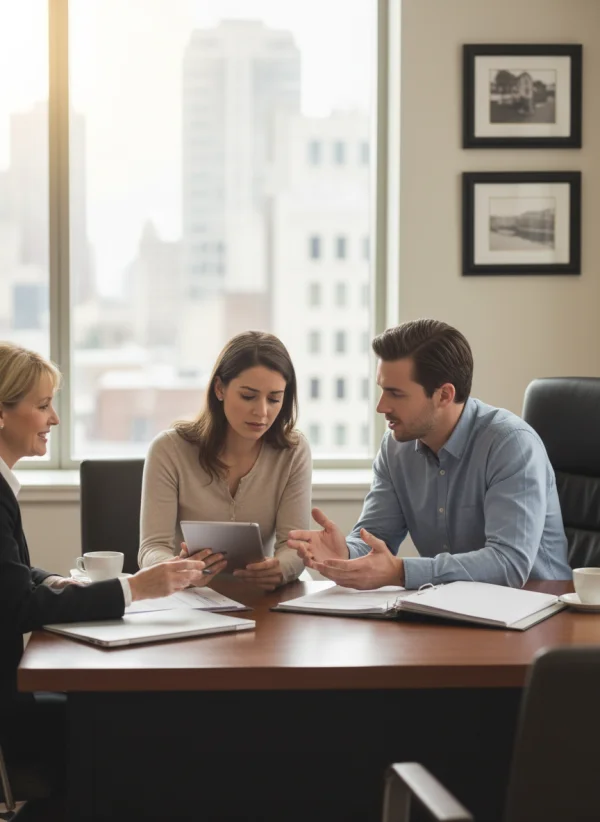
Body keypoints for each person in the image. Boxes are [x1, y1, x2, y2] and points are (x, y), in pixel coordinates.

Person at [0, 342, 209, 772]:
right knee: (144, 727)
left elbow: (11, 578)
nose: (54, 418)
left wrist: (54, 580)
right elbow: (18, 607)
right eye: (42, 406)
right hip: (11, 711)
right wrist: (136, 587)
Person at [288, 319, 571, 590]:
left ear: (444, 395)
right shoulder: (395, 447)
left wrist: (401, 572)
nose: (381, 406)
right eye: (381, 390)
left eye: (395, 394)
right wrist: (346, 552)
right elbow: (376, 538)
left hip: (534, 611)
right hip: (450, 610)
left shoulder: (511, 445)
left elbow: (509, 564)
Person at [139, 331, 311, 591]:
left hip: (261, 602)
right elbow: (152, 549)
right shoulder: (169, 449)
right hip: (187, 599)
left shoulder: (293, 451)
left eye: (274, 398)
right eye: (248, 396)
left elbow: (293, 547)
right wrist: (178, 570)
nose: (262, 412)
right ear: (219, 388)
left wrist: (280, 569)